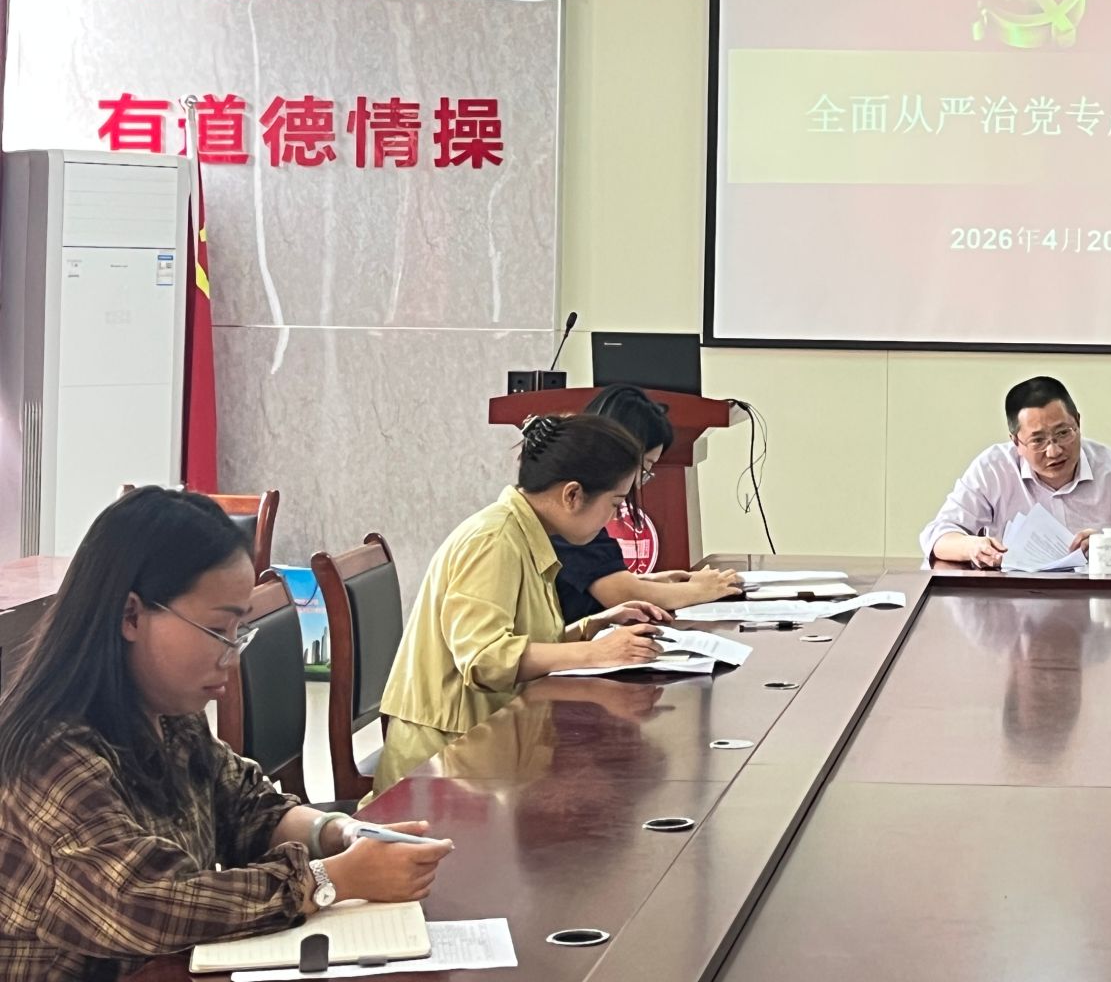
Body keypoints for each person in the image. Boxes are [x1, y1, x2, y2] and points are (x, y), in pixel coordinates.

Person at [0, 489, 452, 980]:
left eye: (241, 631)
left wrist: (340, 834)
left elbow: (245, 807)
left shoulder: (169, 713)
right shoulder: (48, 751)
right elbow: (143, 902)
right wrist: (330, 880)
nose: (232, 657)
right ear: (130, 615)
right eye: (219, 631)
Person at [377, 414, 673, 791]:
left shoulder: (524, 531)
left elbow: (521, 642)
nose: (614, 518)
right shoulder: (495, 541)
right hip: (445, 767)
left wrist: (592, 626)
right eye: (614, 503)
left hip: (489, 746)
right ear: (572, 495)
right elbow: (485, 659)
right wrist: (595, 653)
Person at [920, 376, 1111, 569]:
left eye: (1063, 433)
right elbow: (937, 536)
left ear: (1078, 422)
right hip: (1011, 606)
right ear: (1016, 441)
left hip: (1099, 607)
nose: (1054, 451)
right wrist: (972, 547)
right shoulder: (993, 470)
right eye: (1038, 440)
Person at [550, 385, 741, 625]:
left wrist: (653, 581)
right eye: (645, 467)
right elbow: (620, 594)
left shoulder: (573, 493)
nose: (639, 482)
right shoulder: (575, 508)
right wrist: (701, 591)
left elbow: (597, 579)